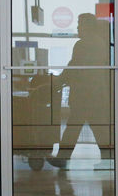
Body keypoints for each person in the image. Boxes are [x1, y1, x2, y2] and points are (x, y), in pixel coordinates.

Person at [47, 13, 112, 169]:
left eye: (80, 24)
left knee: (76, 127)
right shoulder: (100, 43)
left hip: (85, 94)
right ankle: (109, 159)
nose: (77, 28)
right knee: (95, 128)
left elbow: (74, 66)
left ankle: (64, 158)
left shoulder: (84, 44)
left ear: (87, 26)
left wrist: (59, 81)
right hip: (95, 93)